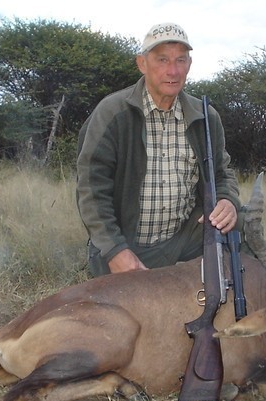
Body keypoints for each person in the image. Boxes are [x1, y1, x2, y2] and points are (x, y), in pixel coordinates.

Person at [76, 22, 241, 277]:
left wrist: (228, 201)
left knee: (246, 225)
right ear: (142, 63)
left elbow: (222, 172)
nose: (172, 71)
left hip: (184, 239)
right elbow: (90, 188)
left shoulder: (206, 116)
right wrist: (115, 250)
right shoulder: (112, 113)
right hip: (128, 243)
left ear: (189, 64)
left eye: (180, 60)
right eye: (162, 60)